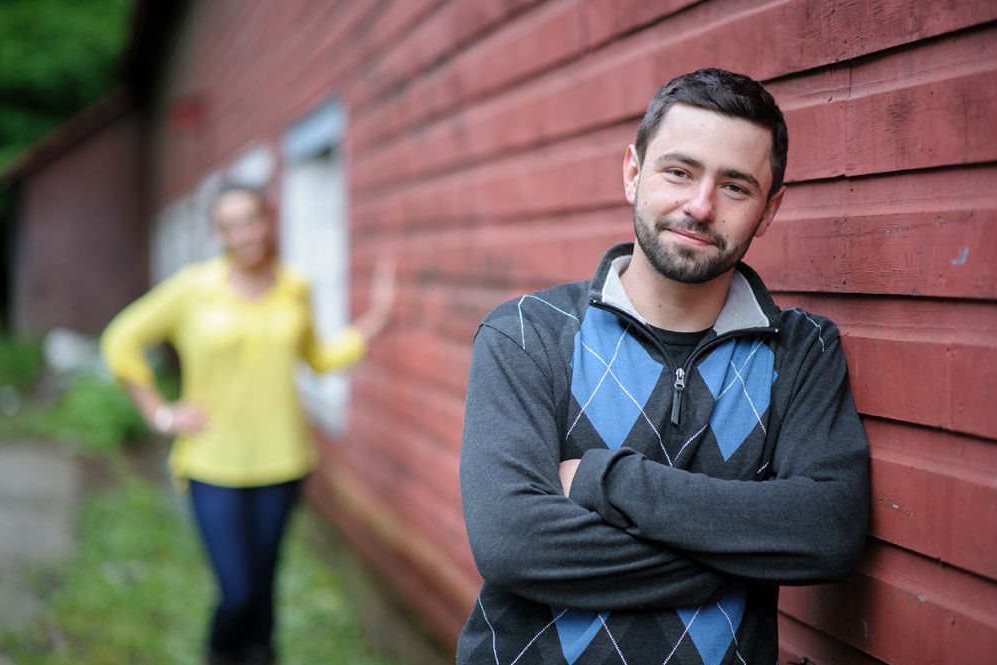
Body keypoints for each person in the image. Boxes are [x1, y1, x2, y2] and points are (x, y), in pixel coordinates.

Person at [457, 68, 869, 664]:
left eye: (735, 187)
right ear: (633, 172)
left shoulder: (802, 352)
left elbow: (825, 531)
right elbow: (513, 543)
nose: (699, 207)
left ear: (770, 208)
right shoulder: (527, 334)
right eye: (679, 172)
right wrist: (739, 550)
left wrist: (607, 482)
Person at [101, 183, 395, 665]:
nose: (245, 233)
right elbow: (120, 341)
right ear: (220, 233)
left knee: (262, 586)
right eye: (231, 224)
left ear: (268, 221)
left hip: (283, 462)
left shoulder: (295, 287)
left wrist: (373, 323)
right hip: (211, 463)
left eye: (252, 219)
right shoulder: (194, 289)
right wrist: (159, 411)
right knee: (236, 590)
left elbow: (317, 358)